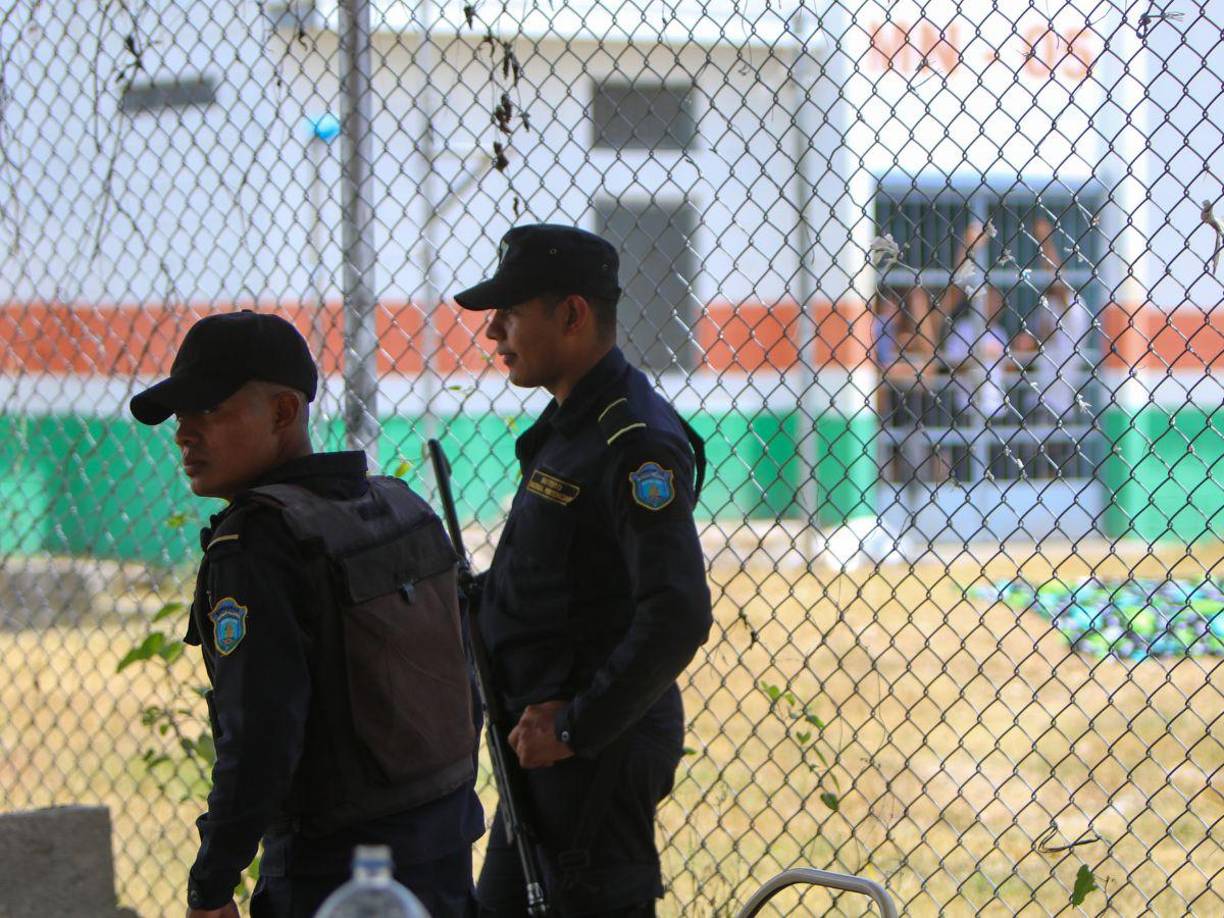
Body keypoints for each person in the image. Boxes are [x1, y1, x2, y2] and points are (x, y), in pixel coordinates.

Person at [128, 310, 484, 918]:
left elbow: (262, 735)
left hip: (335, 875)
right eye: (180, 416)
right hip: (440, 845)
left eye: (209, 411)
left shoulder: (259, 544)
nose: (185, 433)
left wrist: (211, 885)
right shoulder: (400, 505)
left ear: (284, 412)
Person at [453, 224, 713, 916]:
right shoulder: (574, 424)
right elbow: (565, 583)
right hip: (541, 753)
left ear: (571, 315)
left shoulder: (636, 443)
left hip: (592, 756)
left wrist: (575, 729)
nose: (493, 332)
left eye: (510, 313)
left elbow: (678, 612)